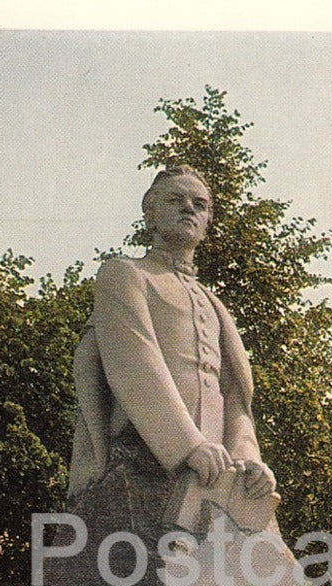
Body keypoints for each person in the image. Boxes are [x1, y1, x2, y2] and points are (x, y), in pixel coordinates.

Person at [68, 165, 276, 505]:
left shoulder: (215, 306)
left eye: (200, 204)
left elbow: (234, 396)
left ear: (208, 222)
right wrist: (188, 446)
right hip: (144, 459)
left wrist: (248, 460)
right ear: (149, 215)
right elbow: (136, 364)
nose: (189, 208)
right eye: (175, 200)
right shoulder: (125, 275)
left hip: (216, 471)